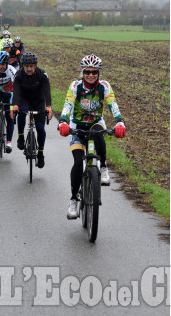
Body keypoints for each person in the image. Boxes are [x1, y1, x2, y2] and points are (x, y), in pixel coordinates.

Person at [58, 54, 126, 219]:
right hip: (76, 125)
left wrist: (120, 122)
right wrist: (63, 121)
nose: (90, 75)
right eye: (87, 71)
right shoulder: (75, 86)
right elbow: (68, 103)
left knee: (98, 133)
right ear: (82, 72)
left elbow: (112, 103)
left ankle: (103, 166)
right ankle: (74, 199)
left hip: (96, 122)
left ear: (98, 72)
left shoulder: (104, 86)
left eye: (94, 72)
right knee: (77, 162)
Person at [10, 52, 52, 169]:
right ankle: (21, 136)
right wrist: (15, 106)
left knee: (40, 128)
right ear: (23, 66)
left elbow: (47, 91)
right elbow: (17, 92)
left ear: (36, 65)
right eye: (26, 66)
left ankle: (41, 153)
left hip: (39, 100)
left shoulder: (42, 74)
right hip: (24, 99)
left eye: (31, 66)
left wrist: (48, 106)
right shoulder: (18, 75)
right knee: (22, 113)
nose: (29, 68)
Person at [0, 50, 18, 153]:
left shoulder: (12, 70)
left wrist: (13, 103)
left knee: (9, 116)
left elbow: (16, 88)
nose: (0, 67)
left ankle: (9, 142)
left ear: (7, 63)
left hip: (9, 93)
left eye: (3, 64)